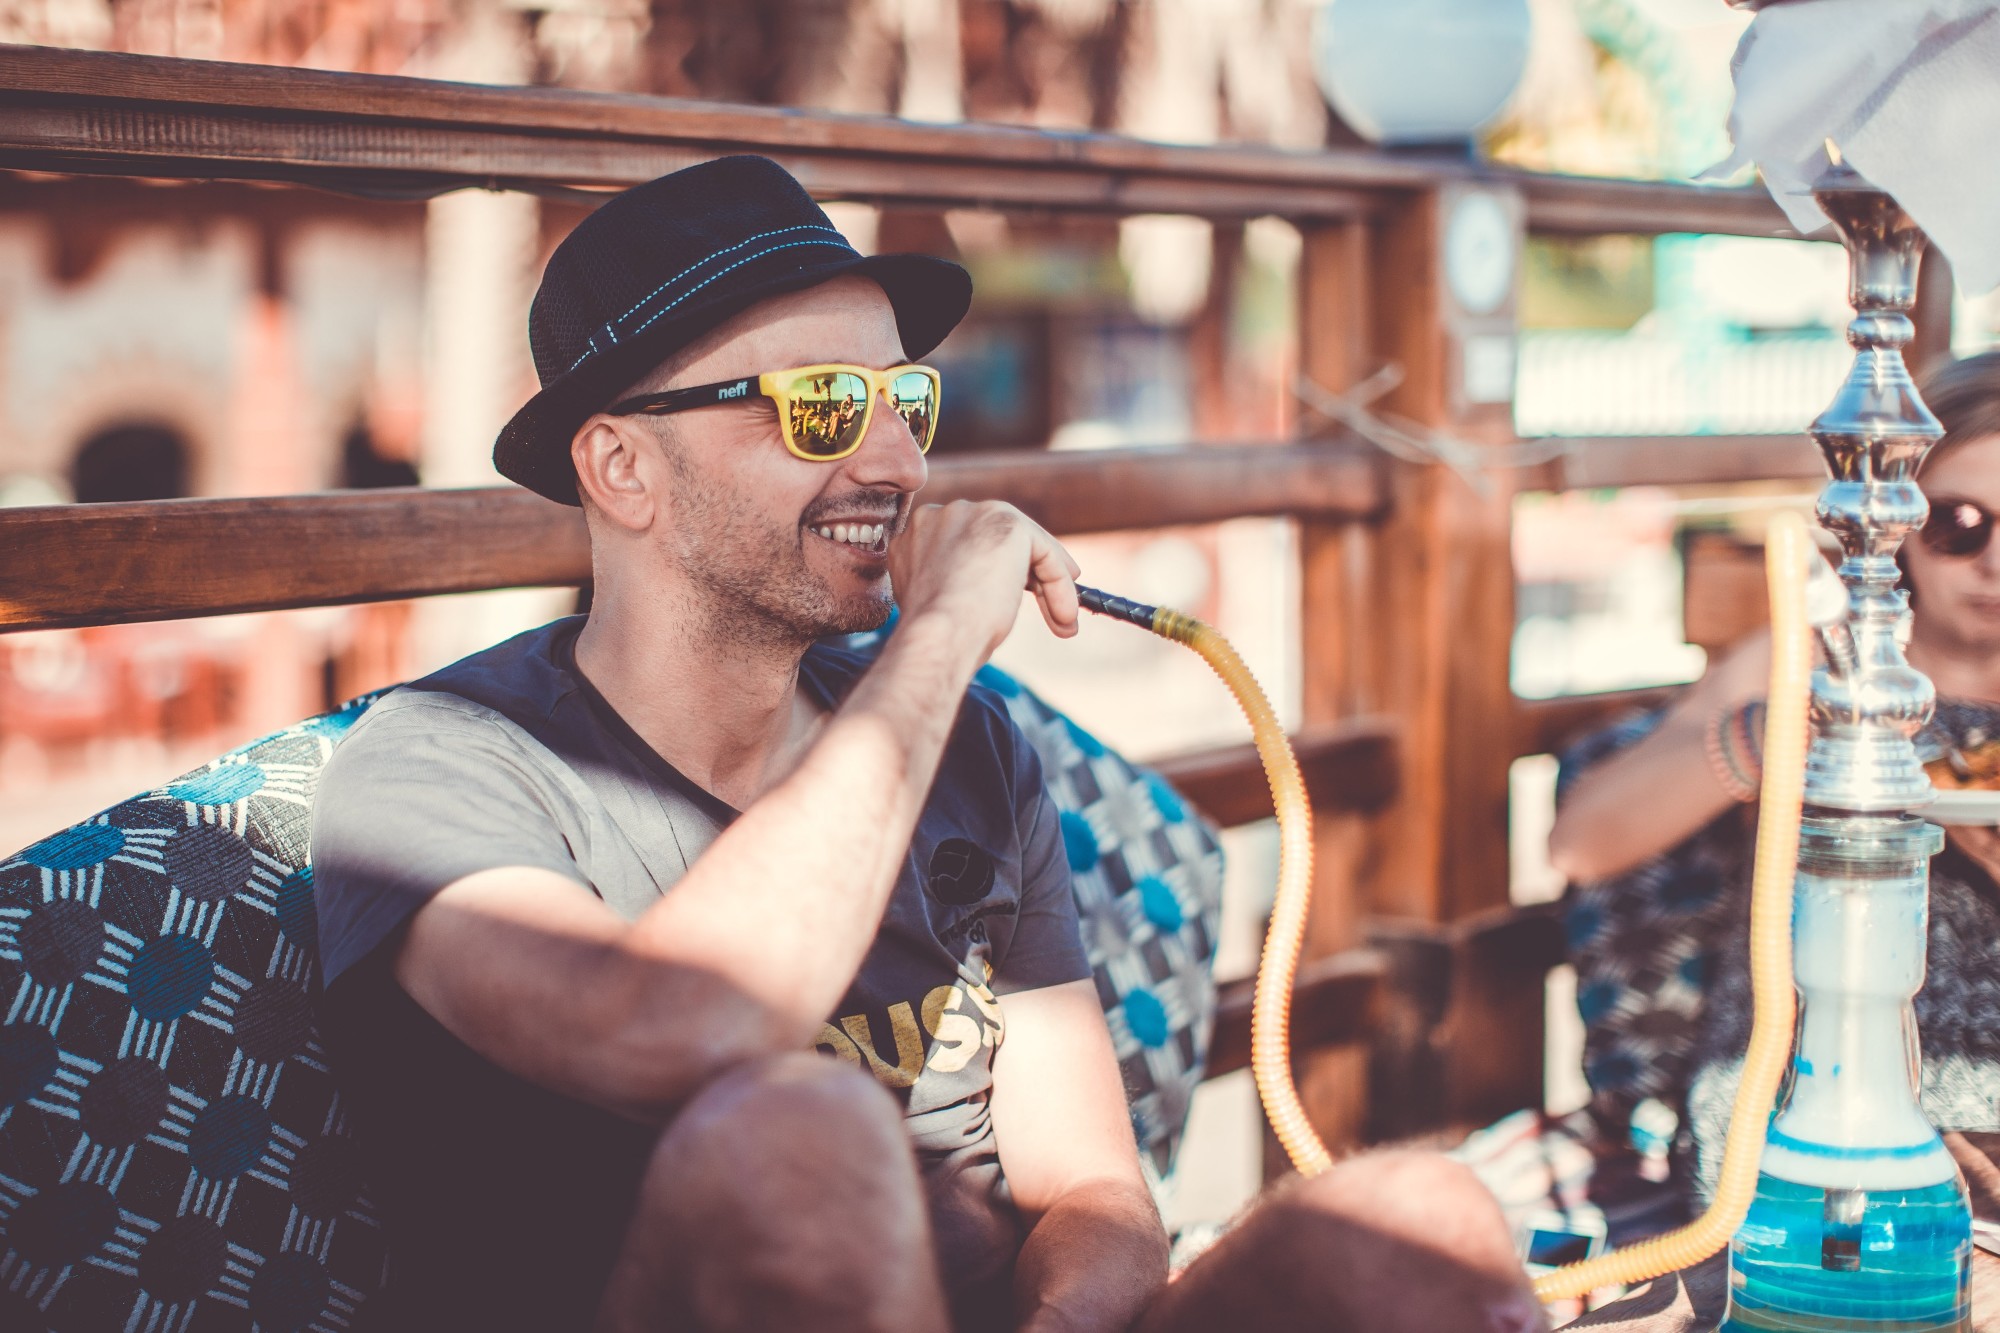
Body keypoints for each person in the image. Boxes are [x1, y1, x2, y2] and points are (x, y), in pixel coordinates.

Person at [309, 155, 1545, 1333]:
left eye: (904, 400)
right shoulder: (441, 764)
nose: (898, 463)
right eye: (821, 408)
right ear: (623, 466)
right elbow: (669, 1024)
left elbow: (1093, 1193)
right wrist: (945, 628)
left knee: (1417, 1218)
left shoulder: (967, 748)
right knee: (797, 1139)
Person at [1548, 352, 2000, 1330]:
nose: (1994, 562)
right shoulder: (1817, 651)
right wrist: (1774, 733)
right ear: (1894, 521)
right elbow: (1582, 843)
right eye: (1959, 524)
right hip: (1801, 1092)